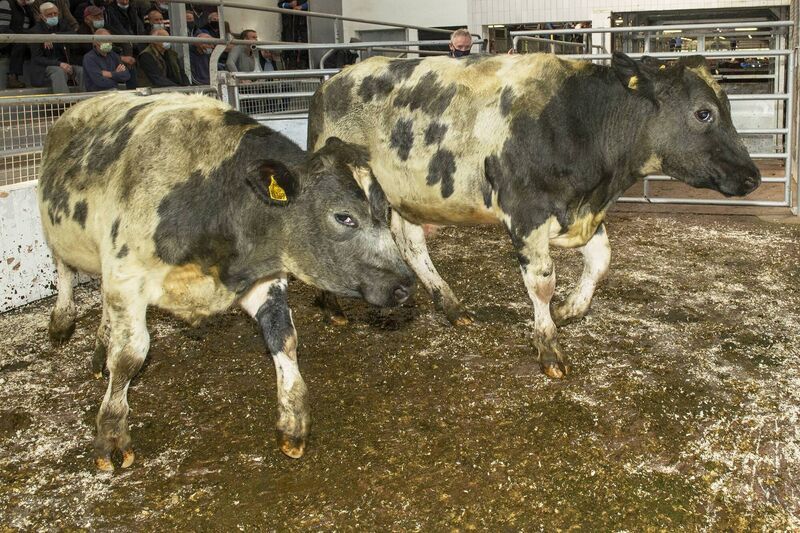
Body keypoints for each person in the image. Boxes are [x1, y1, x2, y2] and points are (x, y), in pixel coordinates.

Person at [28, 1, 84, 92]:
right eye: (49, 14)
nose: (53, 16)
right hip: (45, 68)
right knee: (58, 71)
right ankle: (64, 103)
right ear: (42, 16)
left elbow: (73, 34)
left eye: (55, 13)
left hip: (64, 64)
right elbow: (37, 58)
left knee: (81, 71)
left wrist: (54, 36)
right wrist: (59, 64)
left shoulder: (62, 24)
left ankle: (85, 102)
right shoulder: (35, 31)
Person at [1, 0, 37, 88]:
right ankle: (12, 77)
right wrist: (21, 35)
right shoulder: (6, 3)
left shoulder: (27, 8)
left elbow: (33, 27)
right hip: (5, 40)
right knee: (20, 41)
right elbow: (2, 28)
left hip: (22, 39)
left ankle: (39, 78)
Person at [277, 0, 307, 69]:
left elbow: (313, 4)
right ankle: (291, 62)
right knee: (289, 40)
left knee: (304, 40)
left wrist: (301, 7)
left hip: (303, 21)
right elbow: (280, 4)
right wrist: (289, 5)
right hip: (289, 23)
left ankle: (303, 62)